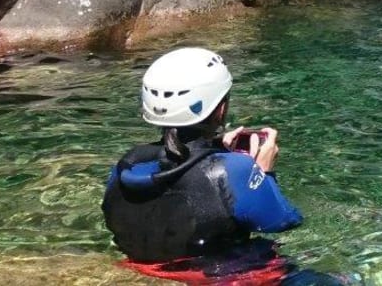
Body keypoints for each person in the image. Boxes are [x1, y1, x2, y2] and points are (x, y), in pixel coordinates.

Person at [102, 47, 303, 266]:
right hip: (216, 276)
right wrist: (264, 173)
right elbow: (284, 221)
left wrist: (217, 151)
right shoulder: (232, 171)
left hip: (142, 269)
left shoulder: (126, 165)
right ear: (220, 110)